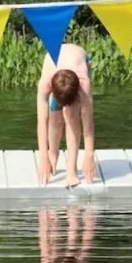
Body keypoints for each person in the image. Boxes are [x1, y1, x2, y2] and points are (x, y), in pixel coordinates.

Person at [36, 44, 96, 188]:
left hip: (80, 61)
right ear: (51, 87)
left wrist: (89, 156)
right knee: (54, 118)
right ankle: (53, 154)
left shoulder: (83, 84)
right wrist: (43, 157)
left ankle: (71, 169)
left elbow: (87, 124)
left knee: (71, 115)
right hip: (56, 60)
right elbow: (42, 122)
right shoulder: (45, 84)